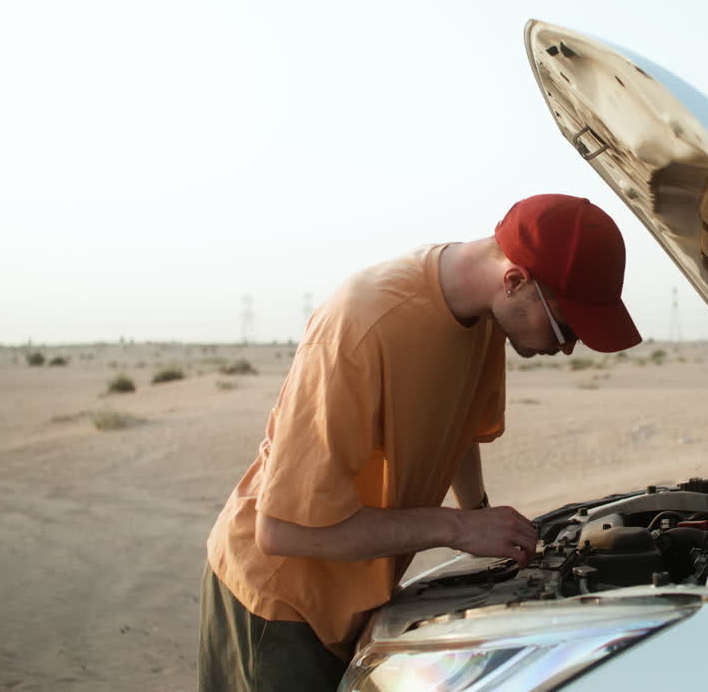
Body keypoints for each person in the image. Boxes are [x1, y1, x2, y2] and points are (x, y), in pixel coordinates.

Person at [198, 194, 642, 691]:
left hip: (357, 593)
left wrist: (483, 519)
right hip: (281, 603)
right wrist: (456, 529)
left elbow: (460, 424)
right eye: (566, 328)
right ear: (516, 282)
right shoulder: (363, 325)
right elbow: (283, 530)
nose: (566, 348)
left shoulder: (484, 316)